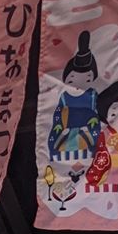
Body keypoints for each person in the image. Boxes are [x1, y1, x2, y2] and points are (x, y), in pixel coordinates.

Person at [47, 31, 100, 162]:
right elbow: (58, 112)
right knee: (60, 142)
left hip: (86, 127)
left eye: (87, 79)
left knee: (91, 140)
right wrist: (59, 125)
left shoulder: (93, 95)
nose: (78, 85)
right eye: (71, 80)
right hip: (67, 127)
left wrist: (93, 121)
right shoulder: (64, 97)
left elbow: (97, 111)